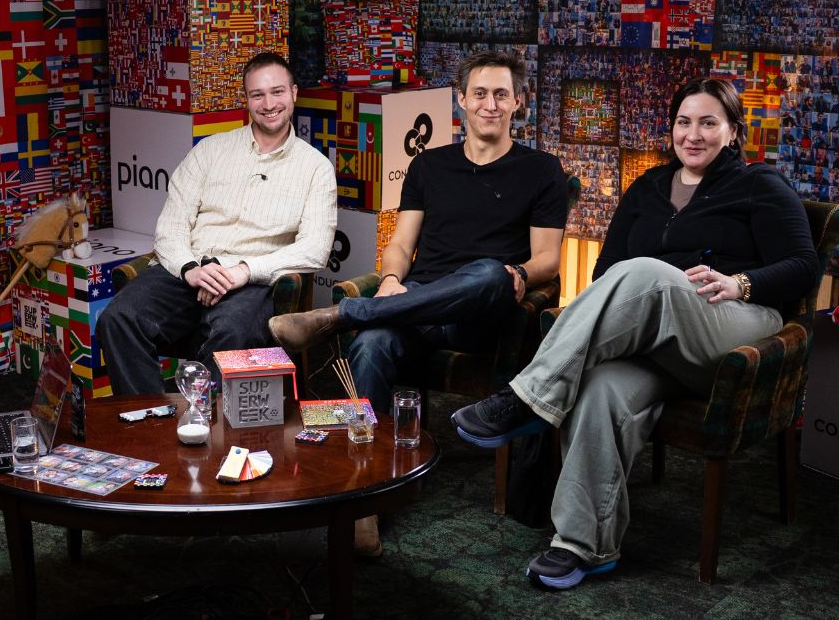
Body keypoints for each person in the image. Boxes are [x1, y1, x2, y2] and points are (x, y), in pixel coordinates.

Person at [451, 77, 818, 589]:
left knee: (646, 273)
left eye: (708, 123)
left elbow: (804, 266)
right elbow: (606, 272)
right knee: (601, 390)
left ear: (733, 131)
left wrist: (740, 283)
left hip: (735, 328)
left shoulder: (760, 184)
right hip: (660, 345)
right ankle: (583, 546)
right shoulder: (646, 187)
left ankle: (529, 399)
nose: (693, 135)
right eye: (683, 122)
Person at [266, 50, 568, 556]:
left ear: (519, 102)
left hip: (481, 315)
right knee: (370, 345)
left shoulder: (541, 170)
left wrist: (517, 273)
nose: (490, 104)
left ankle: (340, 315)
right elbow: (401, 245)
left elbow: (548, 260)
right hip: (416, 306)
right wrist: (388, 279)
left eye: (501, 95)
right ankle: (363, 502)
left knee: (489, 271)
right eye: (479, 93)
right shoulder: (429, 165)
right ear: (461, 100)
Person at [98, 52, 336, 395]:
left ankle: (204, 423)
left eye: (277, 92)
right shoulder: (209, 151)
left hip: (251, 281)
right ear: (246, 99)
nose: (269, 104)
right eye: (257, 95)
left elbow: (315, 249)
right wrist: (190, 270)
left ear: (294, 93)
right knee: (117, 319)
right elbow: (170, 228)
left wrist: (243, 271)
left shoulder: (315, 168)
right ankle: (151, 418)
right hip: (189, 270)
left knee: (232, 332)